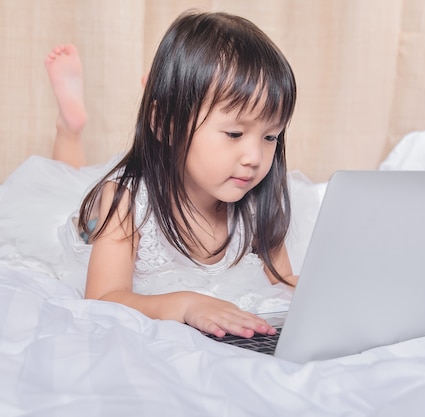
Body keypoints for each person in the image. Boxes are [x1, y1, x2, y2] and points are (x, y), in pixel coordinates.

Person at [39, 11, 301, 338]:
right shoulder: (123, 202)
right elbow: (103, 298)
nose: (254, 157)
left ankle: (171, 90)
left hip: (172, 148)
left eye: (270, 137)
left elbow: (281, 280)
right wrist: (186, 305)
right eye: (235, 134)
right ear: (165, 125)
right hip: (100, 219)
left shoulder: (256, 201)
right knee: (65, 184)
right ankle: (70, 132)